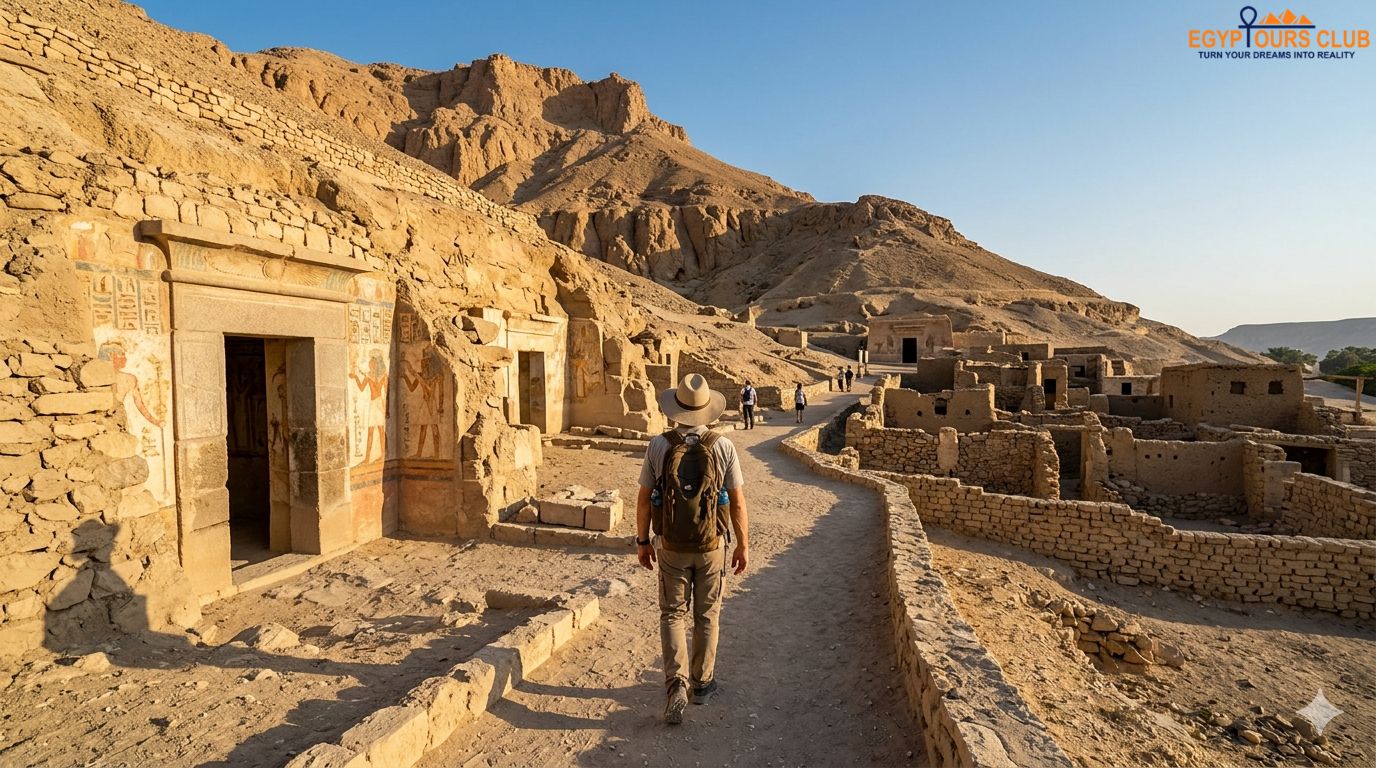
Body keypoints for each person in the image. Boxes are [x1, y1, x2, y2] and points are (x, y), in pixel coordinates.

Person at [636, 373, 750, 725]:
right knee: (706, 615)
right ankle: (702, 684)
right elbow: (738, 504)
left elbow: (643, 500)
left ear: (676, 409)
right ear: (708, 411)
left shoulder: (659, 445)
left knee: (672, 613)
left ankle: (675, 685)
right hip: (712, 544)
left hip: (670, 543)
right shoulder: (723, 446)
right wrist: (742, 545)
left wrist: (643, 541)